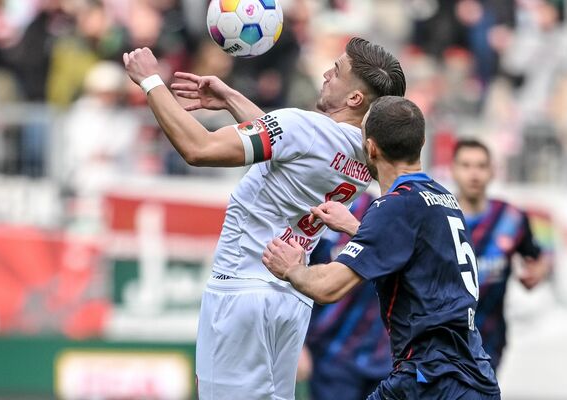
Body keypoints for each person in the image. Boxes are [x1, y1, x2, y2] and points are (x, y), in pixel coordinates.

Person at [122, 37, 406, 400]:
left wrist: (151, 82)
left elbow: (199, 148)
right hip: (291, 298)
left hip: (242, 287)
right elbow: (295, 149)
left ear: (355, 99)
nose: (325, 74)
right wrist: (231, 100)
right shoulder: (365, 154)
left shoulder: (303, 128)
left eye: (336, 72)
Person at [262, 96, 501, 399]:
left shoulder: (394, 206)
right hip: (474, 376)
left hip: (429, 379)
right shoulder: (442, 198)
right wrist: (354, 227)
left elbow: (328, 288)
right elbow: (412, 251)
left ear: (371, 149)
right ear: (421, 142)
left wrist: (291, 269)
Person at [451, 139, 551, 370]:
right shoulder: (438, 216)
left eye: (481, 166)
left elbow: (537, 258)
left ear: (492, 171)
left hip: (490, 339)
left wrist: (538, 272)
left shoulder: (510, 218)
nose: (473, 174)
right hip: (443, 342)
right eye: (466, 165)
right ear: (453, 170)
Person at [303, 192, 392, 400]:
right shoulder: (313, 210)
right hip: (331, 355)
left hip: (381, 358)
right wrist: (299, 346)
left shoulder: (380, 211)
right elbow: (295, 280)